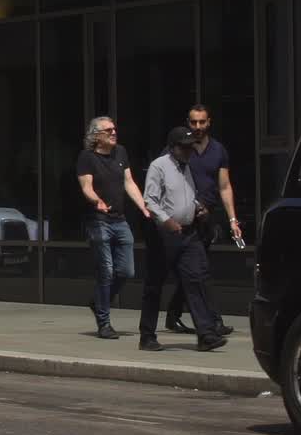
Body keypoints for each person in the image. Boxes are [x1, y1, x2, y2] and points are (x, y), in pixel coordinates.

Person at [139, 127, 229, 353]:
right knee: (155, 284)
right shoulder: (159, 166)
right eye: (184, 147)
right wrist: (167, 221)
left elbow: (186, 196)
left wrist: (199, 209)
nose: (189, 151)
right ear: (172, 148)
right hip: (164, 235)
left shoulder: (187, 167)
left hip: (189, 233)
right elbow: (150, 200)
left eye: (191, 147)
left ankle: (206, 334)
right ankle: (147, 336)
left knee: (196, 279)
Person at [164, 103, 242, 337]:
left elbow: (225, 186)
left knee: (195, 271)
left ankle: (175, 314)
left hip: (206, 220)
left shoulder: (218, 151)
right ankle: (213, 322)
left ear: (209, 123)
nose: (197, 127)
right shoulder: (179, 149)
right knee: (198, 271)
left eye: (202, 122)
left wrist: (232, 221)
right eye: (193, 122)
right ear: (188, 123)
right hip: (182, 221)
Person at [75, 116, 150, 340]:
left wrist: (143, 206)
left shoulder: (121, 153)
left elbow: (129, 182)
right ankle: (104, 323)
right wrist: (96, 200)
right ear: (96, 135)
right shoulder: (87, 157)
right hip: (98, 220)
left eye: (115, 129)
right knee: (105, 271)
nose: (114, 133)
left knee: (127, 270)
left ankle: (99, 301)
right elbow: (86, 186)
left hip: (119, 219)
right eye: (109, 131)